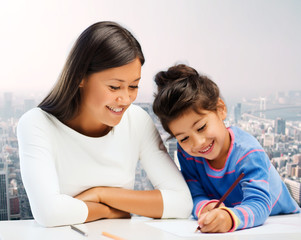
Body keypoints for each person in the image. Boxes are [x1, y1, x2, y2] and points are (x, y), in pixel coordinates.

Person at [17, 21, 193, 227]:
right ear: (79, 78)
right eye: (114, 87)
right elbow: (49, 213)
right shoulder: (37, 124)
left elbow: (181, 204)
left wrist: (100, 194)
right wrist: (112, 211)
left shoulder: (136, 120)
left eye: (133, 86)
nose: (126, 99)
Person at [152, 64, 300, 233]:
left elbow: (259, 204)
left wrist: (229, 218)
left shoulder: (248, 153)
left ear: (221, 109)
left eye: (201, 127)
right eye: (184, 138)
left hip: (283, 224)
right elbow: (194, 194)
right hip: (240, 227)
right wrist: (204, 207)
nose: (198, 142)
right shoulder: (187, 155)